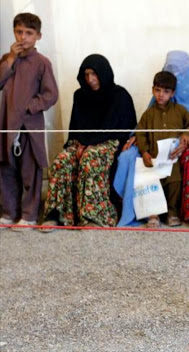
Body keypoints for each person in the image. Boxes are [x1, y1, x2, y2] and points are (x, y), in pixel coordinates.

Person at [116, 50, 189, 230]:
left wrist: (187, 138)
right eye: (170, 69)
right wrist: (138, 140)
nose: (161, 94)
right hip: (159, 147)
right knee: (141, 163)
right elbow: (144, 127)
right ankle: (150, 212)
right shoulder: (155, 106)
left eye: (179, 72)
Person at [41, 54, 136, 229]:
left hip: (109, 142)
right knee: (61, 161)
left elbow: (120, 129)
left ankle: (94, 217)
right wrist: (80, 144)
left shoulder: (119, 96)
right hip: (82, 142)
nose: (90, 79)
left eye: (94, 74)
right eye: (86, 75)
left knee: (90, 159)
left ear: (104, 73)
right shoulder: (80, 95)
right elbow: (76, 127)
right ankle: (56, 214)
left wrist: (91, 144)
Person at [0, 13, 58, 231]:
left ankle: (29, 214)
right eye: (19, 32)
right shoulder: (7, 59)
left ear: (38, 36)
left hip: (28, 126)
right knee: (5, 168)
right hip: (6, 124)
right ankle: (9, 212)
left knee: (29, 170)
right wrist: (11, 60)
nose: (23, 37)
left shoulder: (42, 63)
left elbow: (51, 94)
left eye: (29, 33)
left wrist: (29, 107)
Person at [136, 71, 189, 227]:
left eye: (166, 91)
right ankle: (154, 214)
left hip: (172, 158)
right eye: (157, 90)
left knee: (174, 181)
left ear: (173, 93)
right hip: (153, 157)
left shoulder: (180, 111)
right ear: (152, 90)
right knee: (151, 180)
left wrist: (186, 134)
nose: (161, 95)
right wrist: (144, 152)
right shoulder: (148, 115)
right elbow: (140, 133)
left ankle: (172, 213)